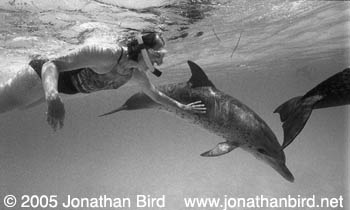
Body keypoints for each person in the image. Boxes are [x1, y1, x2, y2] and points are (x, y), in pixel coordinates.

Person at [0, 32, 206, 131]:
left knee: (20, 108)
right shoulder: (106, 54)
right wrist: (52, 95)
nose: (161, 60)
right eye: (157, 54)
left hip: (56, 90)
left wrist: (182, 106)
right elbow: (50, 65)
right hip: (40, 78)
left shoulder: (135, 74)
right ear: (141, 48)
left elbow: (155, 95)